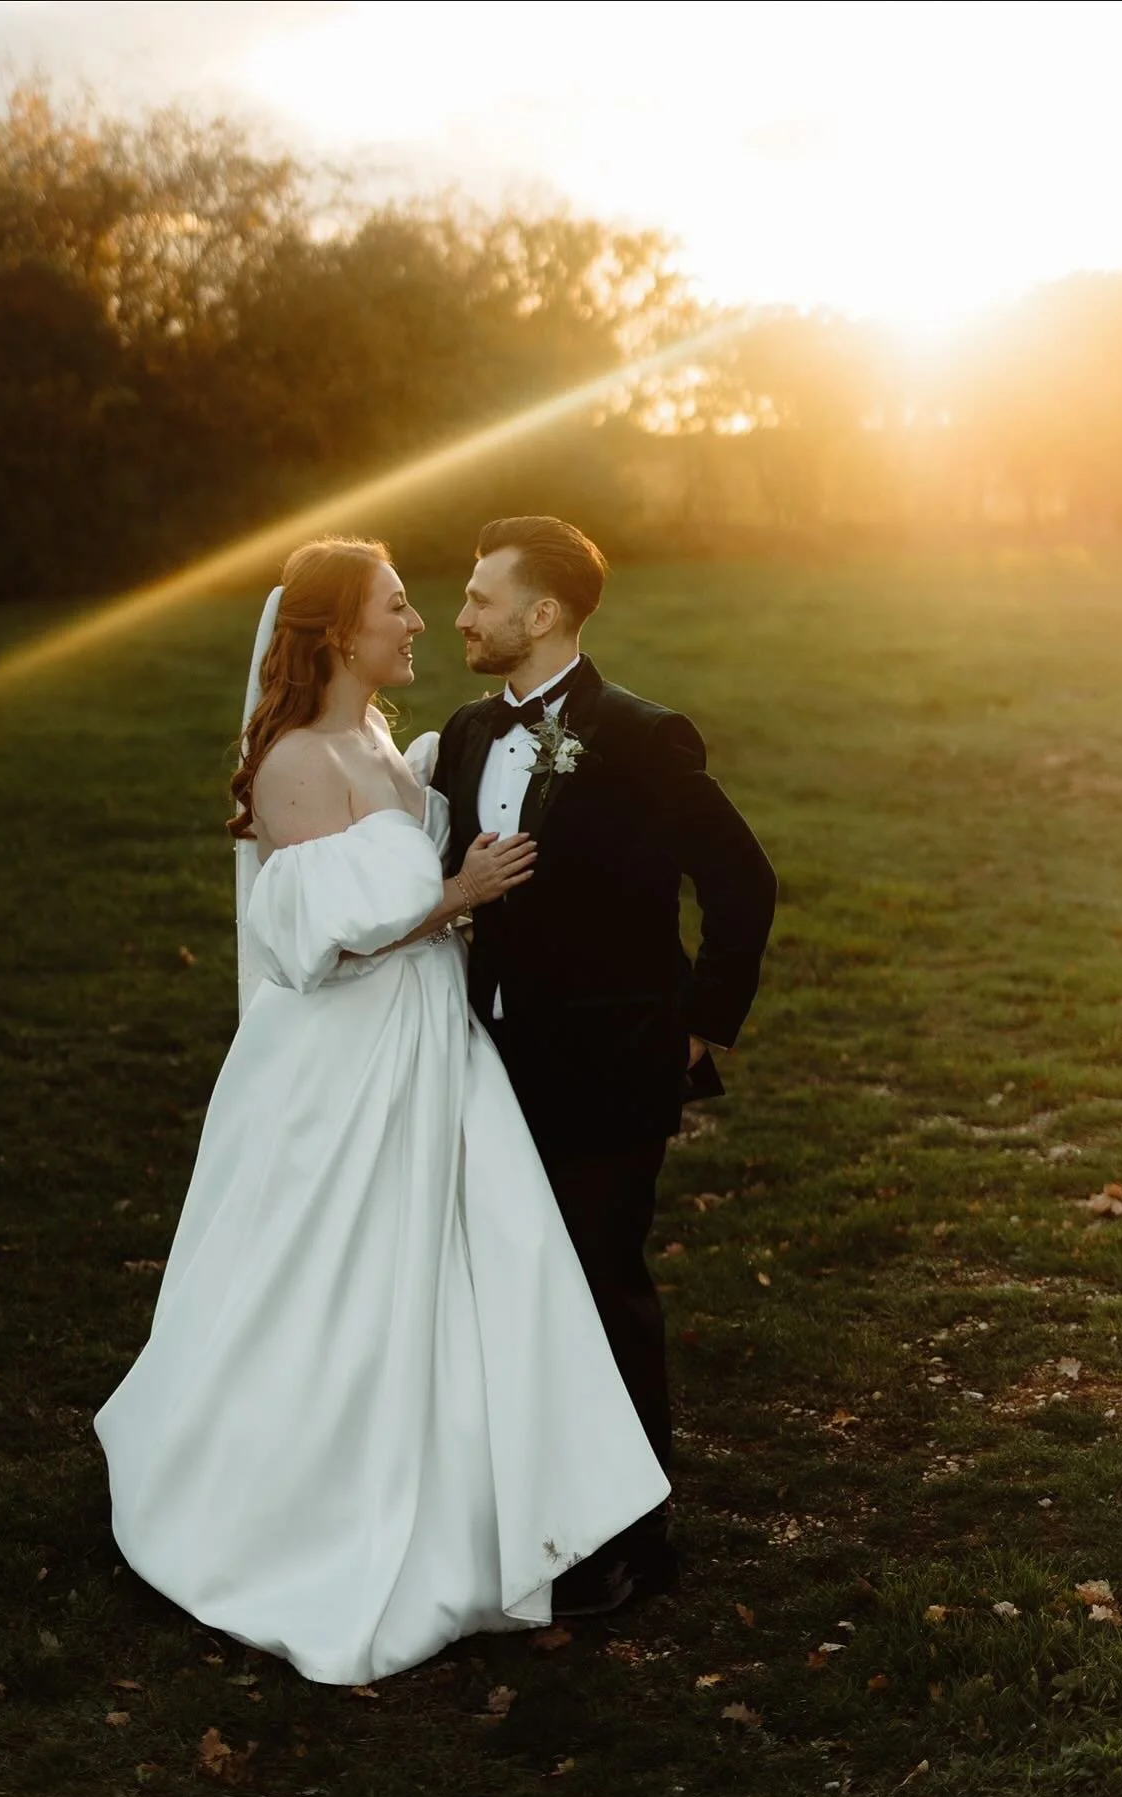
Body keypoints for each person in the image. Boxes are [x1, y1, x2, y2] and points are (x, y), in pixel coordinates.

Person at [93, 537, 670, 1686]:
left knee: (466, 1271)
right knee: (337, 1274)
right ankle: (296, 1505)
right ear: (338, 632)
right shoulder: (299, 763)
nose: (420, 625)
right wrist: (451, 897)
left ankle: (493, 1497)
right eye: (399, 608)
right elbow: (312, 944)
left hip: (432, 1041)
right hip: (346, 1061)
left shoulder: (387, 744)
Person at [434, 516, 777, 1615]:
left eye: (483, 597)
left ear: (543, 614)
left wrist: (701, 1023)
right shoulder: (466, 730)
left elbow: (741, 882)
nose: (463, 615)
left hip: (611, 1062)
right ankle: (535, 1504)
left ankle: (636, 1539)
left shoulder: (641, 735)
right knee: (513, 1291)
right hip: (486, 1060)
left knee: (601, 1288)